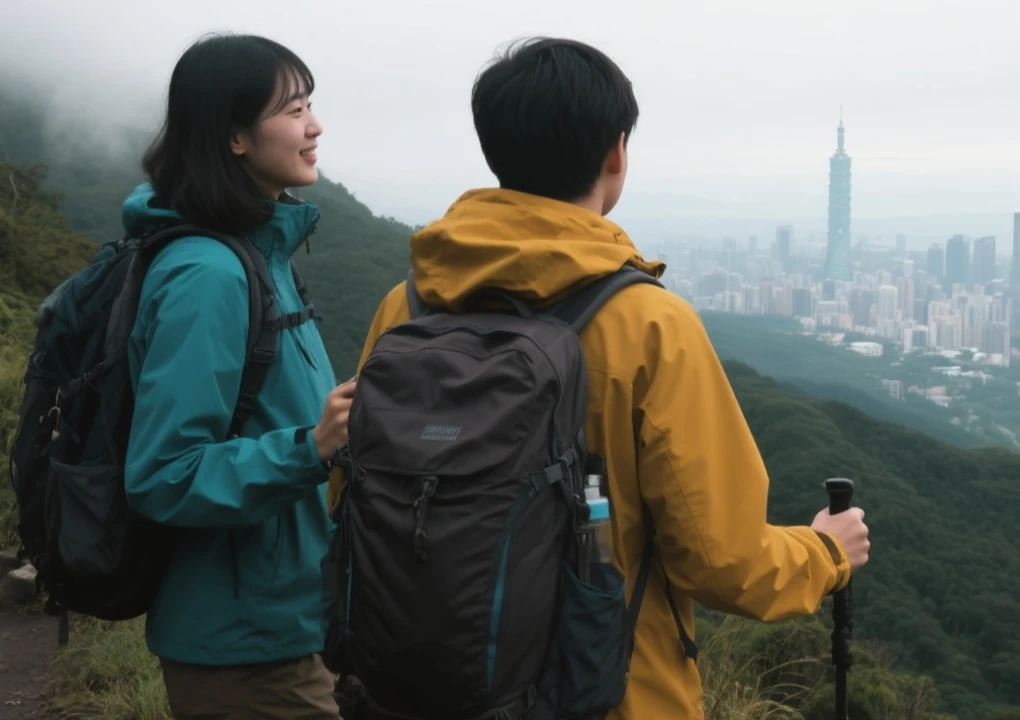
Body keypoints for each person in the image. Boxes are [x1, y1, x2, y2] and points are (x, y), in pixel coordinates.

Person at [329, 36, 870, 719]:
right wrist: (826, 551)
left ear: (494, 148)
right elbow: (724, 562)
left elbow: (353, 489)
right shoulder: (648, 324)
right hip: (606, 694)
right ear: (616, 153)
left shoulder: (404, 306)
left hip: (414, 690)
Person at [122, 32, 352, 719]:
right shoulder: (208, 276)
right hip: (244, 649)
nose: (314, 127)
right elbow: (164, 473)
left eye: (310, 104)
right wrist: (310, 448)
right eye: (292, 110)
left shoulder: (261, 256)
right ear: (235, 139)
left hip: (286, 621)